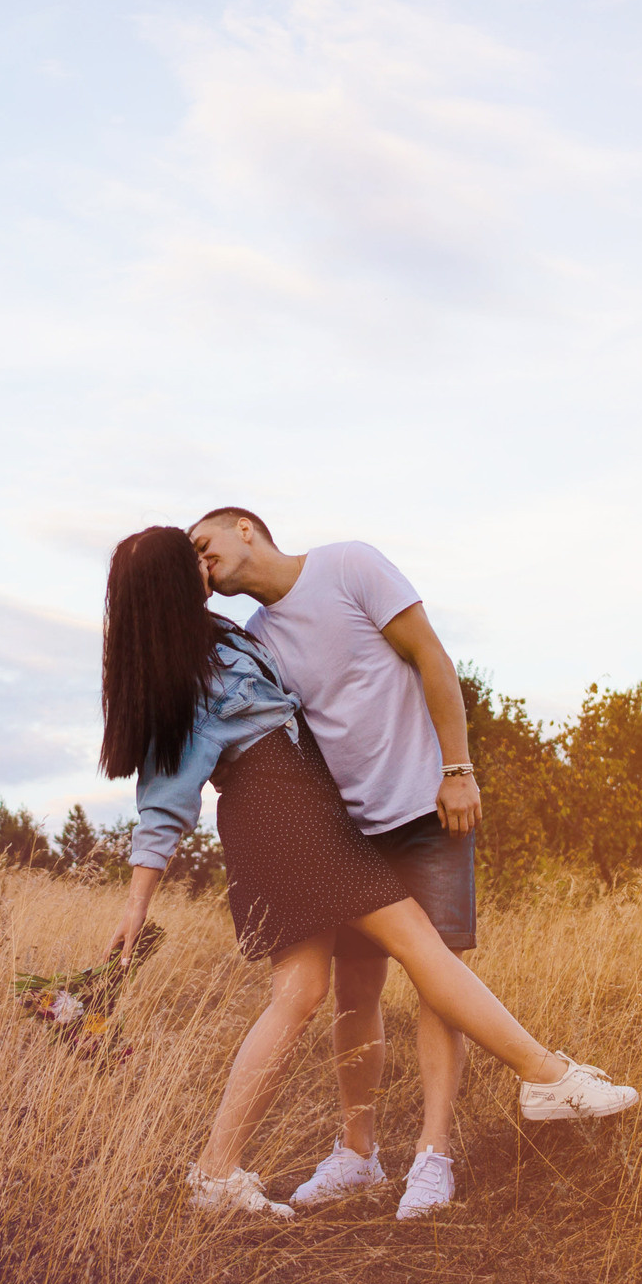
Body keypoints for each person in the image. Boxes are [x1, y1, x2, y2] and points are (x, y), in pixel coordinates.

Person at [102, 525, 637, 1222]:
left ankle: (215, 1169)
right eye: (189, 562)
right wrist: (136, 900)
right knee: (416, 941)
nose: (202, 568)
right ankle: (545, 1074)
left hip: (299, 812)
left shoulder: (221, 639)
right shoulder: (184, 677)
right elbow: (164, 803)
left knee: (298, 994)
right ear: (168, 585)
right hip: (284, 818)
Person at [189, 507, 483, 1221]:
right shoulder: (254, 640)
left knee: (437, 980)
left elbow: (432, 656)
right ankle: (359, 1152)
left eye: (204, 544)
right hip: (348, 832)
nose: (200, 562)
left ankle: (433, 1156)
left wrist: (458, 767)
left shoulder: (349, 565)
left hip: (425, 806)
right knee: (354, 994)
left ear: (245, 528)